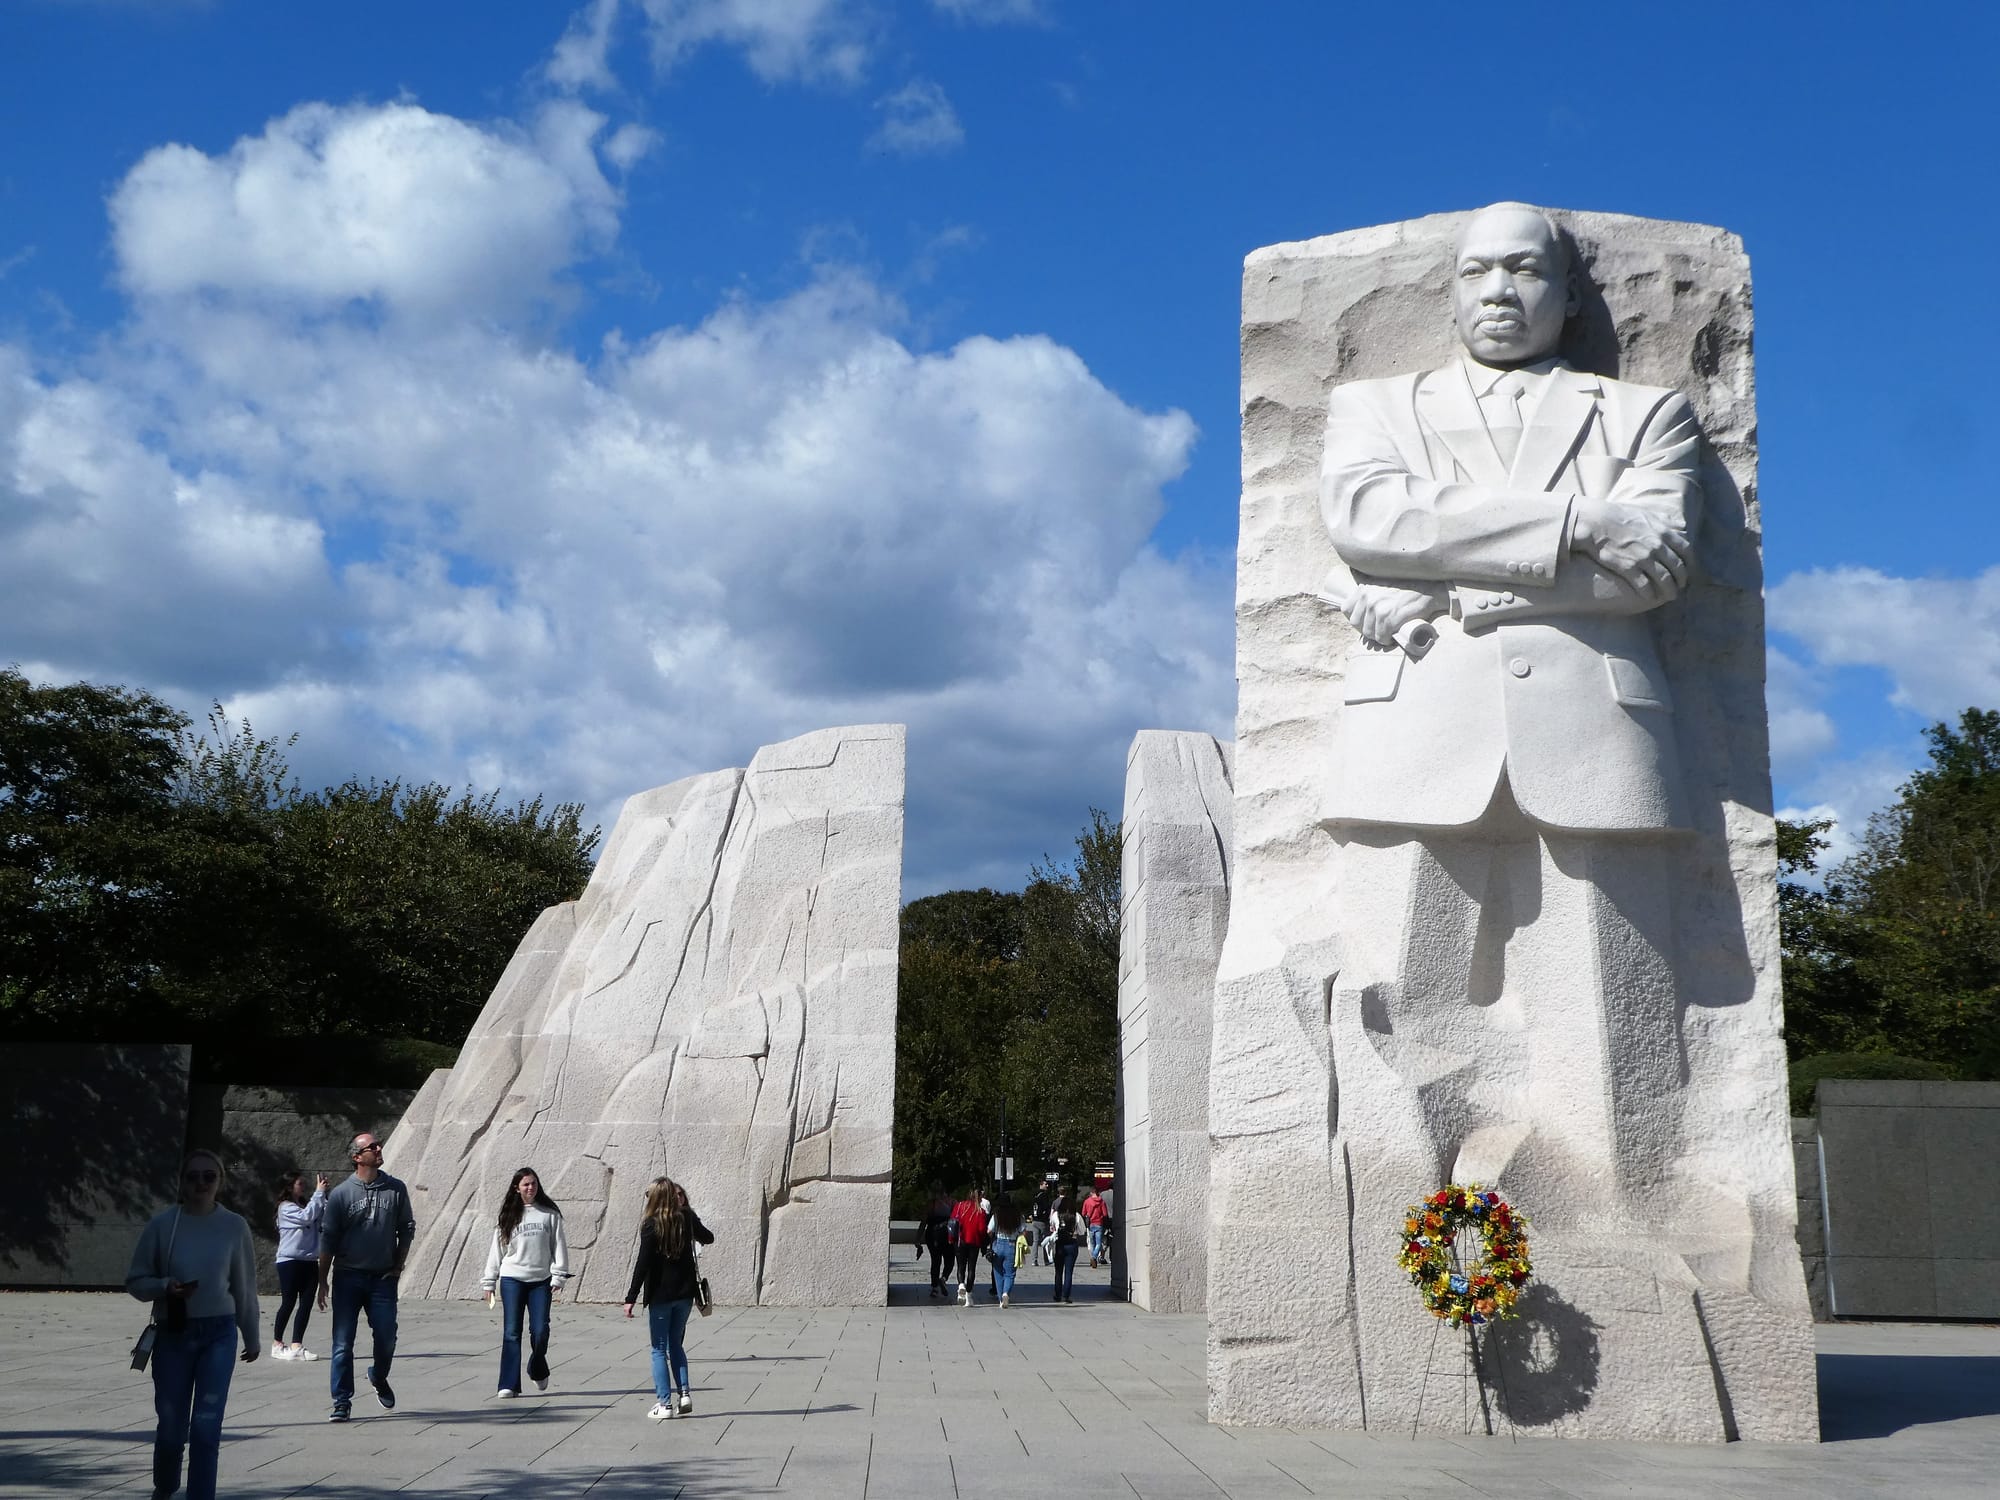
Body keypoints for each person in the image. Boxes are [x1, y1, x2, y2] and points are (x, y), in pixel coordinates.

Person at [1318, 201, 1702, 1374]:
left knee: (1610, 1027)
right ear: (1448, 289)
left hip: (1595, 737)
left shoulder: (1647, 412)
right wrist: (1576, 525)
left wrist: (1458, 580)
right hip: (1417, 740)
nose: (1498, 289)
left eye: (1524, 269)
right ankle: (1394, 1261)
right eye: (1476, 269)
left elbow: (1653, 572)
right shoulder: (1374, 408)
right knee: (1400, 1016)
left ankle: (1624, 1248)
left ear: (1568, 293)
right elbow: (1367, 521)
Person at [126, 1149, 259, 1500]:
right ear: (181, 1182)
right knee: (171, 1428)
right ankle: (165, 1486)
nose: (200, 1183)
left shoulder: (234, 1226)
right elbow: (136, 1280)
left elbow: (244, 1285)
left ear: (220, 1182)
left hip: (219, 1333)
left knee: (206, 1427)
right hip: (173, 1332)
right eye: (193, 1176)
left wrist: (252, 1335)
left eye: (209, 1176)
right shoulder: (162, 1225)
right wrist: (162, 1285)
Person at [315, 1130, 416, 1423]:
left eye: (378, 1144)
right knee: (342, 1343)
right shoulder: (342, 1194)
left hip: (383, 1278)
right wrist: (322, 1280)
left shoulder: (395, 1188)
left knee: (386, 1337)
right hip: (348, 1276)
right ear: (357, 1157)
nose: (379, 1148)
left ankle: (378, 1375)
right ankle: (342, 1400)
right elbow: (328, 1238)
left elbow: (406, 1228)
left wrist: (398, 1265)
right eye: (372, 1146)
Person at [623, 1177, 714, 1419]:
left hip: (660, 1296)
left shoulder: (651, 1225)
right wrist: (692, 1220)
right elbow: (709, 1237)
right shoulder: (686, 1218)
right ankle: (684, 1393)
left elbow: (642, 1265)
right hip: (685, 1295)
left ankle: (664, 1404)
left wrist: (631, 1296)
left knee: (658, 1348)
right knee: (676, 1345)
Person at [480, 1166, 571, 1399]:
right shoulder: (508, 1215)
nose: (530, 1187)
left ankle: (537, 1366)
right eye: (525, 1184)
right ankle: (508, 1383)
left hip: (541, 1281)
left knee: (540, 1330)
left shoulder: (549, 1213)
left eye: (533, 1183)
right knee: (512, 1332)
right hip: (512, 1279)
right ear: (516, 1188)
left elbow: (558, 1246)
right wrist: (489, 1282)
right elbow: (497, 1250)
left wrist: (559, 1274)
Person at [272, 1170, 329, 1360]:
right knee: (288, 1302)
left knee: (306, 1303)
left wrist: (324, 1197)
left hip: (309, 1260)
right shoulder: (285, 1207)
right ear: (289, 1187)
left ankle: (297, 1344)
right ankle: (277, 1343)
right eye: (299, 1184)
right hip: (289, 1260)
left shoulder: (306, 1204)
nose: (303, 1186)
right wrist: (318, 1194)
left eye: (304, 1183)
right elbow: (306, 1217)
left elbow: (321, 1217)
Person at [949, 1185, 987, 1308]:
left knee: (960, 1266)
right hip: (974, 1242)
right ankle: (969, 1296)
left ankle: (961, 1285)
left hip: (960, 1241)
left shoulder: (959, 1206)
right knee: (971, 1268)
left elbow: (952, 1223)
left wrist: (951, 1239)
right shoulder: (981, 1212)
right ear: (979, 1197)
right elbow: (982, 1230)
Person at [986, 1199, 1023, 1308]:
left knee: (998, 1273)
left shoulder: (996, 1216)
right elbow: (1023, 1231)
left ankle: (1000, 1299)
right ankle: (1006, 1293)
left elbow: (989, 1231)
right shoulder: (1018, 1216)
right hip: (1011, 1245)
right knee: (1010, 1274)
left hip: (998, 1244)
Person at [1048, 1192, 1083, 1304]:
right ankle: (1066, 1296)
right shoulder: (1076, 1216)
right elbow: (1082, 1231)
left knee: (1058, 1271)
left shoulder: (1056, 1215)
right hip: (1072, 1244)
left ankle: (1057, 1294)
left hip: (1060, 1243)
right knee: (1069, 1271)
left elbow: (1052, 1225)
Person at [921, 1184, 953, 1300]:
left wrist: (917, 1239)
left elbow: (924, 1221)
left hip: (932, 1235)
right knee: (949, 1260)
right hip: (947, 1235)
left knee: (935, 1261)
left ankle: (934, 1287)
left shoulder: (932, 1204)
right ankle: (943, 1278)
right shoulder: (952, 1203)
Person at [1081, 1185, 1109, 1268]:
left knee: (1092, 1243)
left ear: (1091, 1192)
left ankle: (1093, 1258)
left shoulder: (1087, 1201)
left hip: (1090, 1224)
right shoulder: (1101, 1202)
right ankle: (1094, 1257)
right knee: (1099, 1243)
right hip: (1099, 1223)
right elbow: (1105, 1214)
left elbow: (1083, 1213)